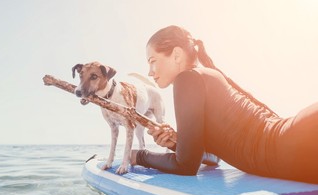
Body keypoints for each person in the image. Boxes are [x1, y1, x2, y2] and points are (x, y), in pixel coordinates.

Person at [130, 25, 318, 184]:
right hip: (297, 139)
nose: (150, 72)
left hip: (295, 144)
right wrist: (178, 143)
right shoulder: (205, 76)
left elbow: (185, 166)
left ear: (177, 55)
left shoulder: (187, 79)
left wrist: (139, 156)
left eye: (153, 62)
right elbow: (213, 159)